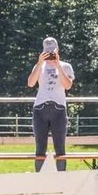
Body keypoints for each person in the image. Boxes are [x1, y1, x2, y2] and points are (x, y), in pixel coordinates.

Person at [27, 36, 75, 172]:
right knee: (40, 147)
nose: (50, 55)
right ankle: (40, 178)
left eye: (52, 51)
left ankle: (61, 177)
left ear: (57, 50)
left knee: (60, 147)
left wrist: (58, 65)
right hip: (40, 107)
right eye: (47, 52)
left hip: (58, 107)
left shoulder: (66, 66)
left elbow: (68, 85)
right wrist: (39, 63)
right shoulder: (39, 66)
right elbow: (30, 83)